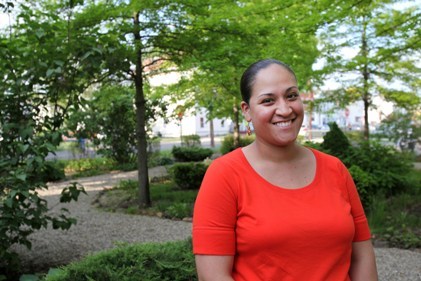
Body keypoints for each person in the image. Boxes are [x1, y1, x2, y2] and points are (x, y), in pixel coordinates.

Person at [192, 58, 378, 281]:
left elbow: (362, 257)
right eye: (268, 100)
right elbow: (213, 276)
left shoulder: (335, 169)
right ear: (247, 111)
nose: (285, 109)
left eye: (291, 96)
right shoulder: (224, 175)